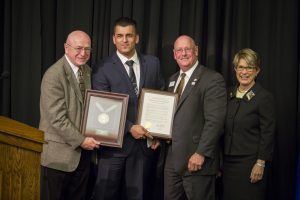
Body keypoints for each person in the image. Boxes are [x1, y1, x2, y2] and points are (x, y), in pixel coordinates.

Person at [92, 17, 165, 200]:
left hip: (143, 148)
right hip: (113, 148)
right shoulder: (102, 68)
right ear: (113, 39)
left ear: (137, 38)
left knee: (138, 195)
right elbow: (101, 108)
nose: (125, 40)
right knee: (104, 195)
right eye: (120, 36)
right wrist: (130, 127)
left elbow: (160, 99)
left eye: (129, 36)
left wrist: (157, 133)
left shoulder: (153, 63)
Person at [164, 35, 227, 200]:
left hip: (198, 161)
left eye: (187, 49)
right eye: (179, 50)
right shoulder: (171, 81)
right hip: (172, 161)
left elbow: (215, 122)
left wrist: (201, 153)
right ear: (174, 54)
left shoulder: (212, 79)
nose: (183, 53)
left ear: (196, 50)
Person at [39, 30, 100, 200]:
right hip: (58, 158)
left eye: (87, 49)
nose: (83, 53)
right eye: (78, 48)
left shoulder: (87, 71)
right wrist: (81, 140)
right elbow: (57, 119)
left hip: (82, 157)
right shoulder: (53, 75)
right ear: (66, 48)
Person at [222, 48, 276, 200]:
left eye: (249, 67)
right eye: (241, 67)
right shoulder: (227, 94)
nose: (244, 72)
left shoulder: (264, 97)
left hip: (250, 164)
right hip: (227, 164)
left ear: (257, 71)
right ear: (235, 69)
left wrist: (261, 163)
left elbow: (268, 133)